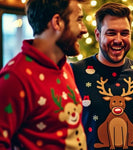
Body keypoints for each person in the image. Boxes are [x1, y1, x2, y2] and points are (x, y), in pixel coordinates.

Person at [70, 2, 133, 150]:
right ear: (98, 35)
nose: (118, 40)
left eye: (124, 33)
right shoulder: (75, 72)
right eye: (111, 33)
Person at [0, 0, 88, 149]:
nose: (84, 29)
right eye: (78, 19)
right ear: (57, 22)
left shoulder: (65, 67)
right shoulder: (15, 77)